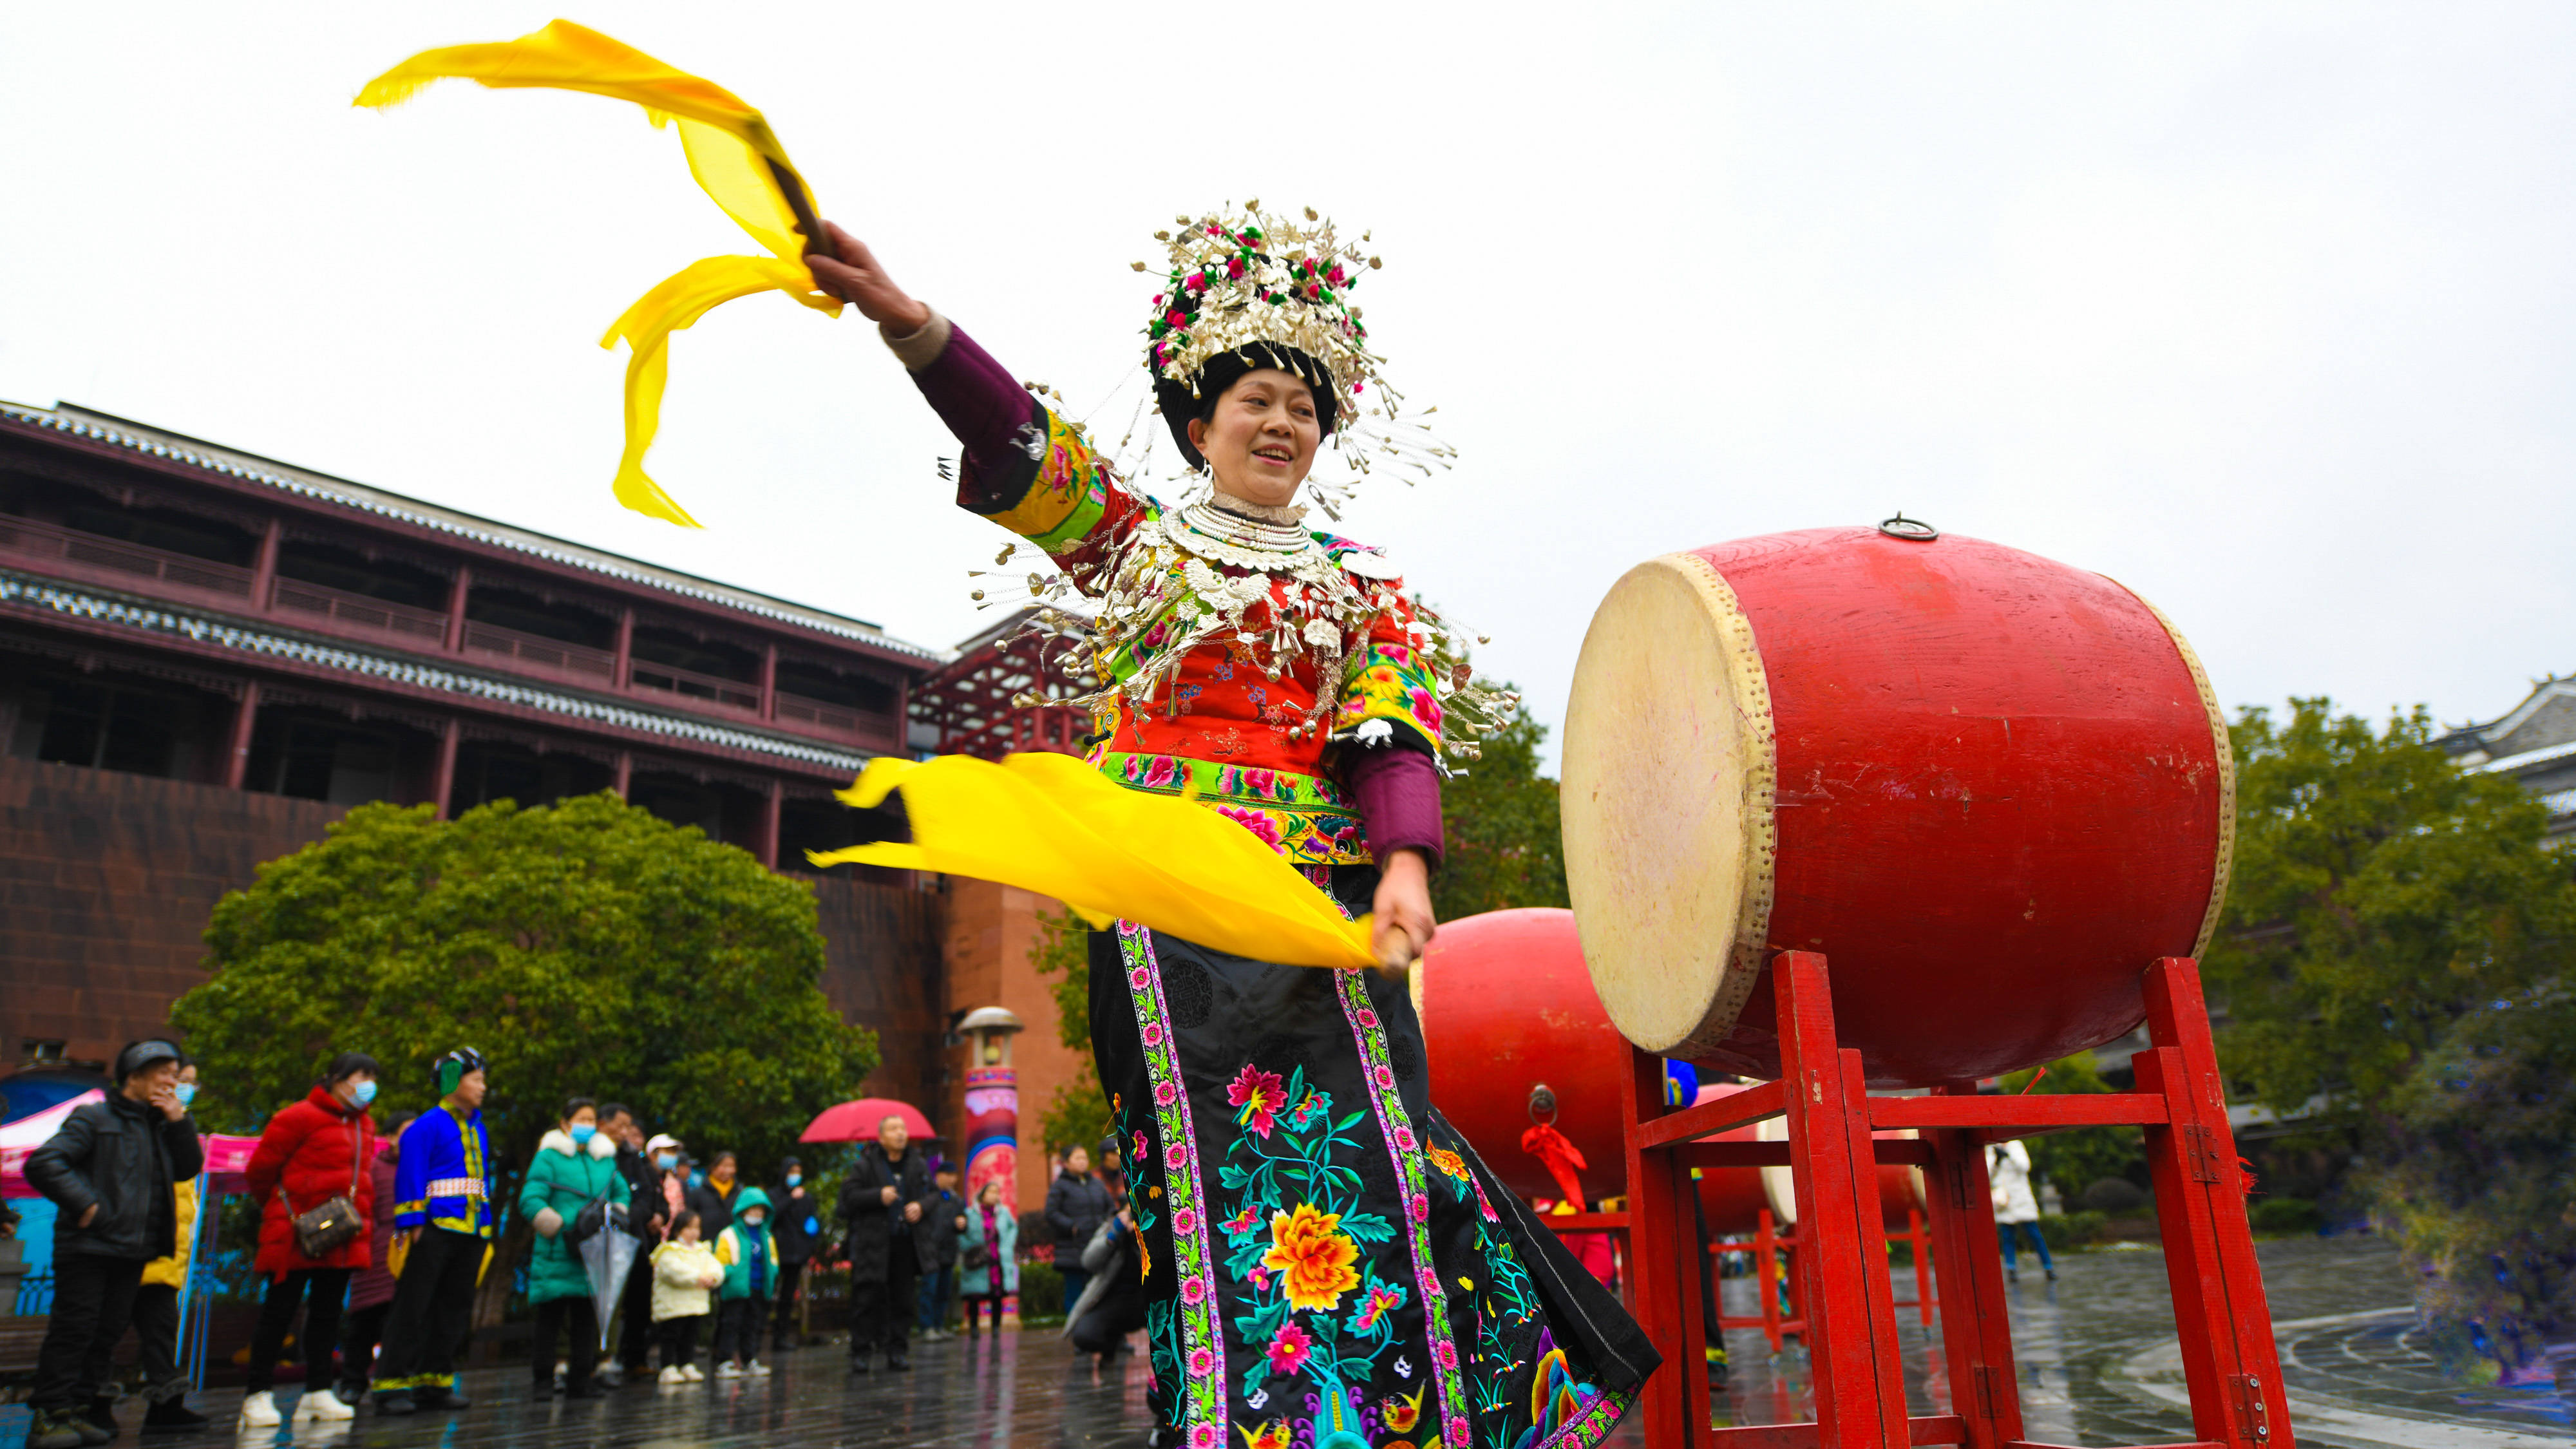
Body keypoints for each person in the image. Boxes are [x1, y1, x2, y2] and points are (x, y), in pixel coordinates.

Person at [803, 207, 1656, 1444]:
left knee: (1389, 1176)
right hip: (1172, 914)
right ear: (1200, 424)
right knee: (1204, 1196)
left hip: (1319, 914)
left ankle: (1398, 1424)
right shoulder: (1140, 551)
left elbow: (1389, 730)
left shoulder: (1362, 584)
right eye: (1258, 398)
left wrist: (1406, 871)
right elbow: (1022, 445)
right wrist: (908, 323)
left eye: (1305, 410)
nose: (1282, 424)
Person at [22, 1039, 204, 1449]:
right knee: (74, 1331)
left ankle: (81, 1410)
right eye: (165, 1074)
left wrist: (178, 1119)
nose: (172, 1082)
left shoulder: (160, 1126)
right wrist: (86, 1205)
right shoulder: (94, 1117)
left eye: (176, 1076)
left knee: (105, 1336)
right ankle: (50, 1417)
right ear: (135, 1076)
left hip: (134, 1250)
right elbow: (45, 1163)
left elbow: (189, 1167)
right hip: (88, 1248)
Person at [238, 1051, 381, 1428]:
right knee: (278, 1313)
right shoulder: (296, 1116)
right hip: (293, 1234)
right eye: (360, 1075)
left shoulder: (365, 1125)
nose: (368, 1084)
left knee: (327, 1314)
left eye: (372, 1076)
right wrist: (287, 1214)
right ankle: (257, 1395)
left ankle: (318, 1392)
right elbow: (260, 1173)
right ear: (335, 1077)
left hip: (343, 1235)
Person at [371, 1048, 494, 1416]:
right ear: (454, 1081)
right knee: (412, 1306)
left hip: (472, 1228)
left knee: (454, 1308)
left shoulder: (479, 1127)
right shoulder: (426, 1126)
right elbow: (410, 1176)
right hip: (433, 1229)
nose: (483, 1087)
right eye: (477, 1079)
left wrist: (486, 1225)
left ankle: (434, 1382)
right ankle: (390, 1385)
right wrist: (412, 1224)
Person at [518, 1097, 630, 1400]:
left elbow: (621, 1191)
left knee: (585, 1320)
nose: (587, 1126)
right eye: (581, 1119)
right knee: (550, 1320)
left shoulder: (605, 1159)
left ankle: (581, 1379)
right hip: (558, 1251)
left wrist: (617, 1214)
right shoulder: (549, 1158)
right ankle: (543, 1381)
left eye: (591, 1120)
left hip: (593, 1250)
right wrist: (554, 1224)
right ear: (565, 1124)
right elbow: (531, 1198)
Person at [129, 1060, 209, 1434]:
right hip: (132, 1250)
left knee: (161, 1332)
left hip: (166, 1256)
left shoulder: (180, 1129)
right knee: (103, 1333)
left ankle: (166, 1407)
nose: (184, 1088)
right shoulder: (140, 1124)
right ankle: (86, 1405)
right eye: (178, 1080)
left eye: (190, 1082)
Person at [836, 1113, 933, 1372]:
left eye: (903, 1128)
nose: (901, 1133)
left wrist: (921, 1207)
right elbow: (848, 1198)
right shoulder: (866, 1165)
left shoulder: (917, 1163)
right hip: (873, 1244)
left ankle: (898, 1352)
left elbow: (934, 1195)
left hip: (905, 1243)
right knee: (866, 1299)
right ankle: (861, 1352)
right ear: (881, 1137)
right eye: (894, 1129)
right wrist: (877, 1196)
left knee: (903, 1301)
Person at [339, 1110, 412, 1406]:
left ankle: (393, 1382)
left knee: (400, 1325)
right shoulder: (373, 1168)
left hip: (409, 1257)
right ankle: (352, 1384)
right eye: (407, 1132)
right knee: (364, 1323)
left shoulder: (424, 1169)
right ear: (392, 1137)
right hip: (374, 1256)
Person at [601, 1108, 667, 1387]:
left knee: (639, 1301)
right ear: (603, 1124)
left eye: (629, 1126)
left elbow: (647, 1196)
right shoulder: (598, 1154)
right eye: (621, 1125)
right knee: (607, 1301)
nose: (625, 1132)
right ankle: (601, 1361)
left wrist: (630, 1216)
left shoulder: (633, 1158)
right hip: (603, 1236)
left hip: (635, 1236)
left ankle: (635, 1359)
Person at [1063, 1195, 1145, 1367]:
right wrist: (1112, 1238)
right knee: (1084, 1335)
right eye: (1127, 1212)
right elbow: (1088, 1262)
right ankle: (1111, 1344)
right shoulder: (1110, 1227)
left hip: (1145, 1300)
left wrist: (1138, 1237)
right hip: (1113, 1300)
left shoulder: (1149, 1227)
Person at [650, 1210, 722, 1385]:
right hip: (673, 1305)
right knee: (671, 1335)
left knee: (690, 1335)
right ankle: (668, 1367)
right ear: (678, 1230)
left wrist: (713, 1277)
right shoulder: (669, 1250)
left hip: (694, 1305)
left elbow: (716, 1266)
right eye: (689, 1228)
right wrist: (698, 1278)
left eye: (697, 1228)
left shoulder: (702, 1250)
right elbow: (673, 1270)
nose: (694, 1232)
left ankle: (686, 1364)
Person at [710, 1188, 777, 1377]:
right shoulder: (729, 1234)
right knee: (730, 1324)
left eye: (761, 1210)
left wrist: (772, 1273)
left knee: (753, 1325)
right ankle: (725, 1361)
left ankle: (750, 1360)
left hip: (758, 1287)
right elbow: (721, 1261)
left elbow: (772, 1260)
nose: (757, 1213)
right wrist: (730, 1274)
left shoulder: (766, 1235)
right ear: (742, 1210)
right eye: (753, 1209)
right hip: (736, 1289)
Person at [1042, 1144, 1110, 1319]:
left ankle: (1098, 1333)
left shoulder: (1096, 1183)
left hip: (1097, 1246)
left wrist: (1105, 1225)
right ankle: (1077, 1335)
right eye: (1077, 1158)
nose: (1082, 1162)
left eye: (1085, 1158)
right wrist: (1072, 1227)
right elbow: (1051, 1212)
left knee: (1099, 1293)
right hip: (1072, 1248)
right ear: (1066, 1162)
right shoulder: (1060, 1186)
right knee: (1075, 1293)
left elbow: (1110, 1208)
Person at [767, 1156, 819, 1356]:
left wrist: (809, 1245)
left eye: (798, 1172)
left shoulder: (806, 1198)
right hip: (778, 1254)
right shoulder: (774, 1194)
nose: (795, 1176)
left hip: (797, 1255)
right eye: (792, 1172)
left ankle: (781, 1337)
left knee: (788, 1299)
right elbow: (772, 1216)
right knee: (769, 1295)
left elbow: (812, 1223)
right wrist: (790, 1199)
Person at [954, 1179, 1017, 1341]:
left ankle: (996, 1327)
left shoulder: (1003, 1212)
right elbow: (961, 1234)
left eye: (997, 1192)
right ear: (982, 1194)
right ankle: (974, 1327)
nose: (994, 1196)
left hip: (997, 1259)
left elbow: (1013, 1228)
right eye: (991, 1192)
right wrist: (968, 1247)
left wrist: (1008, 1245)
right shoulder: (970, 1213)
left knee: (997, 1295)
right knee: (974, 1295)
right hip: (978, 1259)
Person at [1987, 1139, 2056, 1282]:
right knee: (2007, 1236)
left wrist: (2008, 1155)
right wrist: (1997, 1162)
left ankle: (2048, 1267)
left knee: (2034, 1234)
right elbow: (1986, 1174)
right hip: (2003, 1199)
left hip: (2020, 1197)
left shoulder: (2015, 1144)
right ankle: (2011, 1269)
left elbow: (2025, 1166)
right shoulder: (1991, 1147)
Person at [916, 1166, 961, 1341]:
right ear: (938, 1176)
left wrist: (961, 1224)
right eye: (948, 1175)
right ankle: (926, 1327)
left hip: (948, 1252)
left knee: (944, 1291)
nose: (951, 1180)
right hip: (931, 1252)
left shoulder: (956, 1199)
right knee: (929, 1290)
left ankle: (938, 1325)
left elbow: (961, 1220)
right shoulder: (929, 1197)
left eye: (954, 1175)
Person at [687, 1150, 739, 1240]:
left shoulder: (739, 1194)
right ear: (713, 1167)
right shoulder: (698, 1194)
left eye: (732, 1166)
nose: (729, 1170)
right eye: (725, 1166)